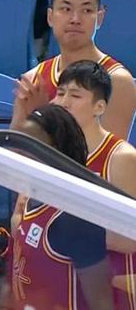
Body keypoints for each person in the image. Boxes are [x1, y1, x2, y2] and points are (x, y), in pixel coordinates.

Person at [13, 59, 136, 309]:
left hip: (108, 290)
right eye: (60, 93)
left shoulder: (121, 157)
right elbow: (19, 220)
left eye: (76, 95)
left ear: (99, 106)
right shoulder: (47, 150)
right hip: (50, 285)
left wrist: (66, 231)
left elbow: (130, 237)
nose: (64, 102)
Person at [0, 104, 116, 310]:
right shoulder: (29, 199)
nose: (21, 152)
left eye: (31, 145)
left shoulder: (74, 218)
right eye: (23, 143)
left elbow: (101, 303)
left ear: (54, 151)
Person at [17, 0, 135, 139]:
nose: (75, 19)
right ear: (50, 17)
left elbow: (107, 152)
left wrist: (45, 117)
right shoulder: (34, 78)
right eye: (66, 9)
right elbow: (14, 148)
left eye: (86, 10)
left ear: (99, 18)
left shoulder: (118, 81)